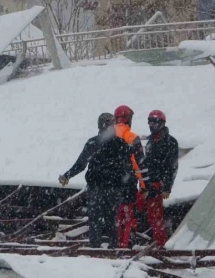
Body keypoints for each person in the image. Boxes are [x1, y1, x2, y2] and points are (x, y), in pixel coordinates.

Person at [59, 113, 136, 249]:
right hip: (109, 187)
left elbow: (81, 163)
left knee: (98, 218)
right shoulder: (119, 143)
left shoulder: (96, 143)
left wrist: (67, 175)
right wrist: (129, 187)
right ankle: (110, 245)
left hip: (101, 187)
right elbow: (128, 169)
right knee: (109, 218)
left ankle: (98, 246)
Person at [140, 110, 179, 247]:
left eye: (154, 121)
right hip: (148, 183)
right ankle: (152, 240)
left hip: (159, 184)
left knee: (156, 216)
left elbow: (172, 166)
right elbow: (146, 163)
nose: (151, 125)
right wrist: (143, 182)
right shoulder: (150, 141)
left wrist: (167, 187)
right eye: (149, 121)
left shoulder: (170, 142)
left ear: (162, 123)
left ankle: (161, 243)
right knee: (146, 213)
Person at [113, 105, 146, 248]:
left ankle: (114, 241)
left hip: (110, 184)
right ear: (129, 119)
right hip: (127, 183)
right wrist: (144, 185)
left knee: (115, 215)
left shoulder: (107, 136)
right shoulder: (132, 138)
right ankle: (124, 243)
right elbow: (139, 163)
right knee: (128, 216)